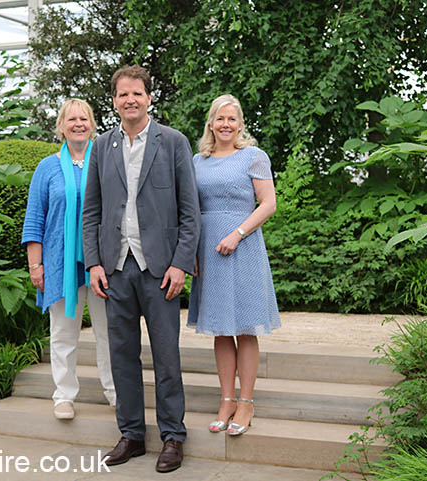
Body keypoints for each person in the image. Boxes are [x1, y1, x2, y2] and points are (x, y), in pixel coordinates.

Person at [82, 65, 200, 473]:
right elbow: (91, 211)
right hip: (115, 268)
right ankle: (131, 434)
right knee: (122, 356)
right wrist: (94, 263)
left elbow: (190, 211)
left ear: (149, 98)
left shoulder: (173, 142)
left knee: (167, 357)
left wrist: (181, 264)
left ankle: (173, 436)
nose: (130, 100)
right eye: (122, 94)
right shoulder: (101, 146)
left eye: (137, 93)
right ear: (114, 101)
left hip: (161, 269)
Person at [187, 94, 281, 436]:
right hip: (208, 249)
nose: (226, 124)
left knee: (244, 327)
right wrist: (191, 253)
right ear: (211, 123)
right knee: (220, 327)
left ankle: (246, 402)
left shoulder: (253, 157)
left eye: (232, 119)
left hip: (243, 246)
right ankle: (226, 400)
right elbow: (190, 209)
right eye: (220, 118)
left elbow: (268, 203)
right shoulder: (197, 161)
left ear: (240, 124)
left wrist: (237, 233)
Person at [21, 99, 115, 420]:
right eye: (71, 119)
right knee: (63, 333)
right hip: (60, 263)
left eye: (84, 118)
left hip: (103, 263)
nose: (78, 124)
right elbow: (35, 218)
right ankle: (63, 395)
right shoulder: (47, 167)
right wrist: (36, 265)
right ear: (61, 126)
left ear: (92, 124)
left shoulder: (106, 162)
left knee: (109, 332)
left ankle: (115, 393)